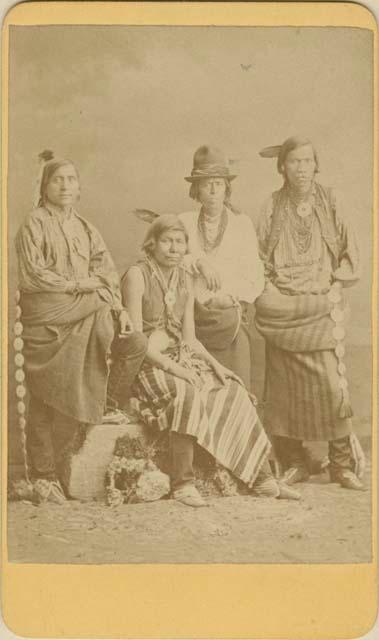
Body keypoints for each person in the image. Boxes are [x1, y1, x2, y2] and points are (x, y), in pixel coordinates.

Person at [122, 214, 300, 507]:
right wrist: (176, 369)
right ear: (152, 244)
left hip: (182, 356)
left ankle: (262, 478)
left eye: (180, 242)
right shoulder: (137, 276)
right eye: (166, 241)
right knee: (187, 394)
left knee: (233, 390)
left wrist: (219, 367)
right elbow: (137, 342)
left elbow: (190, 339)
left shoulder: (185, 278)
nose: (173, 248)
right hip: (149, 364)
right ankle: (183, 483)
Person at [15, 152, 147, 504]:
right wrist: (78, 287)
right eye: (58, 179)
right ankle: (43, 475)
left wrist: (120, 309)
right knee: (44, 392)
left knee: (133, 341)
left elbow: (105, 274)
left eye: (71, 179)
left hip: (89, 309)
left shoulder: (86, 228)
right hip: (49, 316)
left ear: (79, 187)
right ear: (44, 186)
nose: (65, 186)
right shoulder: (34, 223)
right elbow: (33, 275)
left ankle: (102, 406)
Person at [255, 136, 365, 490]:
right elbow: (257, 257)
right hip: (283, 306)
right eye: (294, 162)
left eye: (307, 161)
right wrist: (269, 290)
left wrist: (337, 280)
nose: (301, 168)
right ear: (282, 167)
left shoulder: (331, 200)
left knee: (333, 387)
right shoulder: (271, 205)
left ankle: (341, 464)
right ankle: (295, 461)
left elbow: (351, 251)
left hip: (320, 303)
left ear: (316, 165)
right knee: (284, 390)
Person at [178, 146, 264, 390]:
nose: (214, 190)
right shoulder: (184, 222)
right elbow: (173, 261)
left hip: (229, 314)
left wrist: (229, 298)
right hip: (192, 317)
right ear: (197, 190)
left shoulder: (241, 224)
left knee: (235, 386)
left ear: (227, 187)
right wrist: (199, 262)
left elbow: (255, 276)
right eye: (207, 184)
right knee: (196, 389)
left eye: (218, 183)